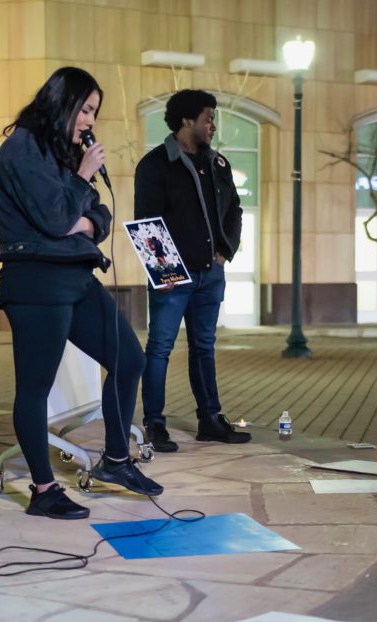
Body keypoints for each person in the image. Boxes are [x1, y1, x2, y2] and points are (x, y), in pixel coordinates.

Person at [0, 67, 164, 520]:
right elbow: (53, 219)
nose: (90, 120)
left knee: (130, 359)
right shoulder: (20, 152)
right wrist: (82, 180)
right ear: (62, 103)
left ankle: (116, 462)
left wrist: (86, 218)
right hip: (35, 284)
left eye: (94, 112)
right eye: (85, 109)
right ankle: (43, 489)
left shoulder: (61, 154)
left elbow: (96, 214)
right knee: (35, 386)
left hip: (76, 276)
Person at [135, 89, 251, 452]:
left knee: (204, 347)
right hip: (173, 279)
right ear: (187, 121)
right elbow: (147, 225)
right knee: (159, 349)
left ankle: (210, 420)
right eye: (208, 118)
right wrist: (165, 273)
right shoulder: (155, 165)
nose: (212, 126)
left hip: (209, 275)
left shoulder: (218, 165)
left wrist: (224, 251)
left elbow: (235, 210)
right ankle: (154, 424)